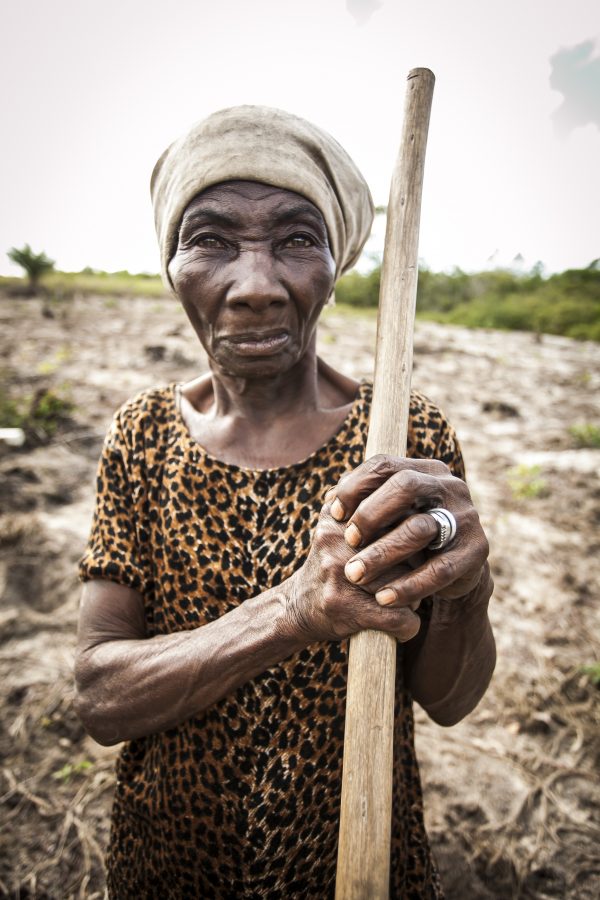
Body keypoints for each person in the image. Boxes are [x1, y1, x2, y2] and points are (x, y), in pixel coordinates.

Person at [75, 105, 495, 899]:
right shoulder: (141, 436)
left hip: (354, 855)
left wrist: (469, 588)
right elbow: (100, 697)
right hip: (171, 862)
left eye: (298, 239)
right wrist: (295, 612)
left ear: (335, 266)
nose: (257, 287)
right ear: (171, 265)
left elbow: (449, 699)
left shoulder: (402, 436)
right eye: (211, 239)